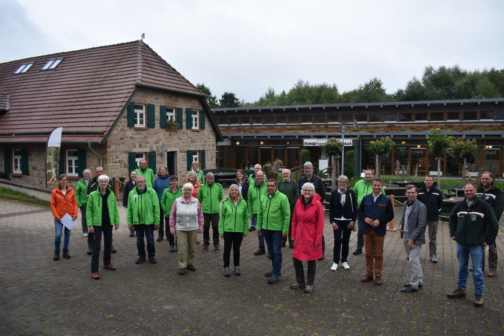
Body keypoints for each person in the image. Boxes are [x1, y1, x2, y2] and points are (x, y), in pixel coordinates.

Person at [447, 183, 498, 307]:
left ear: (475, 191)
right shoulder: (459, 205)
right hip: (461, 243)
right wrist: (454, 234)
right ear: (464, 192)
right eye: (466, 191)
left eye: (471, 190)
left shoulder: (483, 206)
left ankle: (478, 294)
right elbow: (452, 219)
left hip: (476, 244)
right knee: (462, 267)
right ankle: (461, 289)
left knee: (477, 271)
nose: (469, 193)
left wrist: (488, 241)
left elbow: (494, 224)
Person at [358, 178, 394, 286]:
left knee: (379, 254)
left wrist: (380, 220)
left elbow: (391, 215)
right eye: (375, 185)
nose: (376, 187)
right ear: (372, 186)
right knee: (368, 253)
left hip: (379, 230)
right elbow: (359, 211)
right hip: (367, 230)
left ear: (382, 186)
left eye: (379, 185)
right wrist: (364, 218)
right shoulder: (366, 198)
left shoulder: (386, 200)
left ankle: (378, 275)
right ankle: (369, 274)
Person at [290, 182, 324, 293]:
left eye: (309, 190)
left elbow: (320, 224)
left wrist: (318, 239)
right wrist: (293, 235)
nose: (307, 192)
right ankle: (300, 281)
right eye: (305, 190)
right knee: (296, 258)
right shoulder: (298, 202)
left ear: (313, 192)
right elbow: (294, 220)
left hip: (311, 236)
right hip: (299, 235)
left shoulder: (317, 204)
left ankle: (310, 283)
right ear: (302, 191)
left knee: (311, 260)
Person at [257, 179, 291, 284]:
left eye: (272, 186)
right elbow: (260, 213)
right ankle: (274, 269)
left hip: (277, 229)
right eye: (268, 186)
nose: (270, 187)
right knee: (271, 251)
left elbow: (287, 215)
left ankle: (276, 273)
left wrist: (285, 230)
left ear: (276, 186)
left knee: (276, 251)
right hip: (266, 229)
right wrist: (259, 226)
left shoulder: (282, 198)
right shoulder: (263, 197)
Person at [86, 175, 120, 280]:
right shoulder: (93, 195)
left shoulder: (111, 194)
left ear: (108, 183)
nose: (104, 184)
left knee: (108, 244)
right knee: (96, 247)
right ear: (98, 183)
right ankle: (94, 270)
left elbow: (115, 209)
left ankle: (107, 263)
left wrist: (116, 222)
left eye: (105, 182)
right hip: (97, 224)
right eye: (102, 182)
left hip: (108, 223)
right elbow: (89, 211)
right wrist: (90, 224)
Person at [169, 183, 204, 275]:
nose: (187, 191)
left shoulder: (196, 201)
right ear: (182, 191)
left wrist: (201, 226)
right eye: (185, 189)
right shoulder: (177, 201)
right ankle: (182, 266)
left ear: (192, 191)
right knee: (181, 248)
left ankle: (189, 263)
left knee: (192, 248)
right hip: (180, 228)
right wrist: (172, 227)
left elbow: (200, 215)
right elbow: (172, 215)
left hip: (193, 228)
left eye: (189, 189)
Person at [398, 185, 427, 293]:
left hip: (415, 239)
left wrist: (412, 239)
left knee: (413, 260)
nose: (410, 194)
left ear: (416, 193)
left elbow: (422, 225)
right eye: (408, 192)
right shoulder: (406, 204)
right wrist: (401, 225)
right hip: (405, 235)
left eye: (412, 192)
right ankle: (419, 281)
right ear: (406, 193)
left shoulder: (421, 206)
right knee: (415, 260)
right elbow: (404, 217)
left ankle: (414, 285)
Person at [126, 175, 160, 264]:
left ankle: (151, 256)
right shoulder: (132, 193)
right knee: (139, 241)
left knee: (150, 240)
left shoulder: (151, 192)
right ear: (136, 183)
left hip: (149, 221)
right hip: (137, 222)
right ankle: (141, 256)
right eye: (138, 182)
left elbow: (156, 208)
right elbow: (129, 209)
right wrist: (130, 222)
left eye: (141, 182)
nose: (140, 183)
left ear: (145, 182)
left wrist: (157, 221)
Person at [476, 172, 503, 277]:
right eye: (483, 178)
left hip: (490, 223)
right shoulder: (478, 191)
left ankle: (493, 268)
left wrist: (493, 222)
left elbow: (499, 209)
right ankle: (478, 266)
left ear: (491, 180)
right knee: (477, 244)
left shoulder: (497, 192)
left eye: (486, 179)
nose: (484, 180)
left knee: (491, 245)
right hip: (478, 223)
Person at [353, 169, 385, 256]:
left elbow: (383, 197)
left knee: (373, 230)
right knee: (360, 230)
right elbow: (354, 194)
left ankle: (374, 250)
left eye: (369, 174)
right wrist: (357, 204)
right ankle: (359, 247)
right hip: (361, 211)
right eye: (366, 174)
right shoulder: (358, 183)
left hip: (374, 212)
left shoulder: (376, 184)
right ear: (364, 175)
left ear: (372, 175)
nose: (368, 176)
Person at [298, 161, 326, 259]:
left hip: (315, 207)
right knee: (305, 231)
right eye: (306, 168)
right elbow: (300, 193)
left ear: (312, 169)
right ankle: (306, 250)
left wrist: (318, 205)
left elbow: (323, 194)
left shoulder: (318, 180)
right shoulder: (301, 180)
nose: (307, 170)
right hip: (304, 207)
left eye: (309, 168)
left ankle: (321, 252)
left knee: (318, 230)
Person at [329, 175, 357, 271]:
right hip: (337, 220)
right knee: (337, 241)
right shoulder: (334, 193)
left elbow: (355, 208)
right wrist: (332, 221)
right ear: (338, 183)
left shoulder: (351, 193)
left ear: (347, 183)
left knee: (346, 241)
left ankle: (344, 260)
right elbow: (331, 209)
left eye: (344, 182)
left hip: (347, 221)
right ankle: (335, 261)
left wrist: (353, 220)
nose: (342, 184)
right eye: (340, 182)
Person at [219, 184, 248, 277]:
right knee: (227, 249)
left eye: (235, 190)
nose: (234, 192)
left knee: (237, 249)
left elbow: (245, 218)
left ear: (238, 192)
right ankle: (226, 267)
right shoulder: (225, 202)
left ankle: (236, 267)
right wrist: (221, 230)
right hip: (228, 230)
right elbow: (222, 218)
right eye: (232, 190)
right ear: (229, 192)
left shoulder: (243, 203)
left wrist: (245, 230)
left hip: (239, 230)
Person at [87, 166, 116, 254]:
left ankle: (110, 244)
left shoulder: (109, 182)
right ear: (95, 173)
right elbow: (89, 195)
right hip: (95, 209)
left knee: (108, 231)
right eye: (98, 172)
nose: (99, 173)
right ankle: (91, 246)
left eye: (101, 171)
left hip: (106, 210)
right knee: (92, 230)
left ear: (103, 172)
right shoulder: (92, 183)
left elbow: (112, 194)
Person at [417, 175, 444, 263]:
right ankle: (415, 254)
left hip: (433, 218)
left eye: (430, 180)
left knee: (432, 238)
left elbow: (440, 205)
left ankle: (433, 255)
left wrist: (436, 212)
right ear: (424, 181)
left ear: (433, 181)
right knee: (418, 236)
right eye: (427, 180)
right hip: (421, 218)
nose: (428, 181)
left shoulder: (437, 192)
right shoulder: (419, 191)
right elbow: (416, 204)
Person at [50, 174, 78, 260]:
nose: (63, 182)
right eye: (62, 180)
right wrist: (56, 216)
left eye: (65, 180)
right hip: (59, 217)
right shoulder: (55, 191)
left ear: (67, 181)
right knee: (58, 235)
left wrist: (74, 214)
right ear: (59, 181)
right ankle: (57, 251)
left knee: (67, 234)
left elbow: (74, 203)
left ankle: (65, 251)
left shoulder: (71, 191)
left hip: (69, 217)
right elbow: (52, 205)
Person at [198, 172, 224, 252]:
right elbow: (200, 198)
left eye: (211, 178)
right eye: (208, 178)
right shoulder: (202, 187)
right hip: (205, 211)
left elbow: (220, 197)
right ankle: (206, 243)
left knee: (215, 228)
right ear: (206, 179)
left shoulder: (218, 187)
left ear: (214, 179)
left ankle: (216, 244)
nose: (210, 180)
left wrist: (214, 204)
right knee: (206, 228)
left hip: (215, 211)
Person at [277, 169, 299, 248]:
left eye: (287, 174)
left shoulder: (294, 183)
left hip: (291, 208)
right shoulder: (279, 183)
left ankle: (291, 241)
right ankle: (282, 241)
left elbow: (297, 195)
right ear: (282, 175)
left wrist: (290, 204)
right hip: (280, 208)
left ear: (290, 174)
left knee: (290, 225)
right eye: (284, 174)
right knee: (282, 224)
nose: (285, 175)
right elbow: (277, 194)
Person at [247, 171, 268, 254]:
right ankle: (261, 247)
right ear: (255, 177)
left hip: (266, 212)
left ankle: (270, 249)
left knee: (267, 230)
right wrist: (250, 213)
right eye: (258, 176)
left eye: (261, 176)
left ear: (264, 176)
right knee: (259, 230)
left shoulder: (267, 186)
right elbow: (249, 202)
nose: (259, 178)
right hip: (256, 212)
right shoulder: (251, 188)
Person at [161, 175, 182, 252]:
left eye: (175, 181)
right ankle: (171, 244)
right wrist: (165, 209)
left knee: (179, 229)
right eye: (172, 181)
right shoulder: (166, 191)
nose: (173, 182)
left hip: (179, 213)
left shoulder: (181, 190)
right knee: (170, 229)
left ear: (177, 181)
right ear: (170, 182)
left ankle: (178, 244)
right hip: (169, 214)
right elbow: (162, 201)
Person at [154, 166, 170, 242]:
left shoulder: (170, 179)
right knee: (160, 220)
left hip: (168, 203)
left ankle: (168, 235)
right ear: (159, 171)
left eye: (164, 170)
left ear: (166, 171)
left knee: (168, 220)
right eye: (161, 170)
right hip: (159, 202)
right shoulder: (156, 180)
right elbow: (154, 192)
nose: (163, 171)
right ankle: (160, 235)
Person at [75, 168, 91, 236]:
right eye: (85, 173)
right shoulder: (80, 183)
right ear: (83, 174)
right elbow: (77, 194)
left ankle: (92, 230)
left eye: (88, 173)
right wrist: (79, 203)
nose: (87, 175)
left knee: (91, 217)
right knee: (84, 217)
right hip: (83, 203)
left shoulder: (93, 182)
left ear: (90, 174)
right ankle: (85, 231)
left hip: (92, 203)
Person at [123, 170, 137, 237]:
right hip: (130, 202)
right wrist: (125, 203)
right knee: (131, 217)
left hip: (137, 203)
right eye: (132, 174)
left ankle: (137, 230)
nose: (133, 176)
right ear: (130, 175)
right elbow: (125, 194)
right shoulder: (128, 184)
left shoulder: (139, 183)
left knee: (137, 216)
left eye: (134, 174)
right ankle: (131, 230)